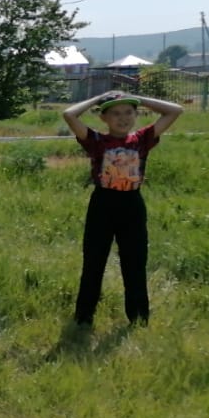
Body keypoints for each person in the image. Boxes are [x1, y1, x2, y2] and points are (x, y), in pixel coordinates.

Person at [62, 91, 184, 328]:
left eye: (129, 112)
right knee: (94, 262)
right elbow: (69, 114)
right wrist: (98, 98)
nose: (123, 118)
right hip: (102, 206)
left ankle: (138, 319)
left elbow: (175, 110)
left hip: (132, 206)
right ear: (104, 118)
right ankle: (84, 318)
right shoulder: (96, 140)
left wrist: (137, 97)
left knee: (135, 262)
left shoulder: (142, 138)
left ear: (136, 115)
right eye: (115, 113)